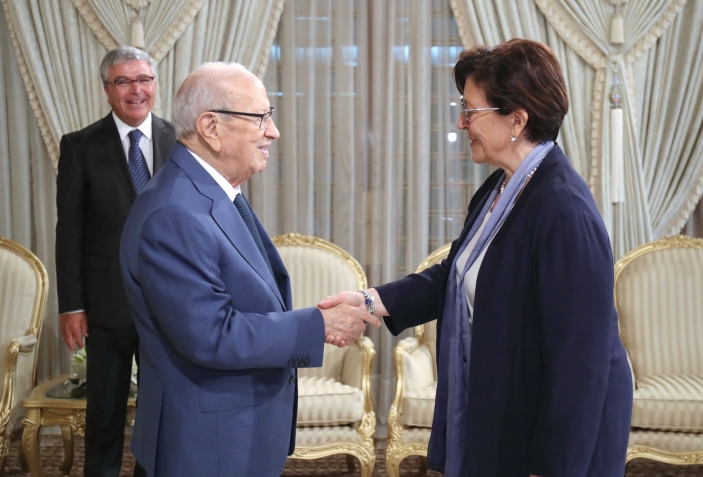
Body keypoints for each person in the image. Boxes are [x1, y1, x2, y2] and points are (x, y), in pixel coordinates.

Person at [320, 38, 633, 477]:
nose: (461, 122)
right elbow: (455, 274)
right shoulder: (501, 187)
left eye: (470, 110)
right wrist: (370, 301)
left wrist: (553, 468)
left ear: (517, 120)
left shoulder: (564, 211)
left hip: (561, 440)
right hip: (509, 408)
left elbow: (580, 364)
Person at [119, 62, 380, 477]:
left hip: (233, 433)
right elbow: (211, 335)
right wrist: (317, 324)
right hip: (205, 444)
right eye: (260, 117)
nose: (272, 131)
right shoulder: (174, 211)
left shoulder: (211, 192)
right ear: (210, 126)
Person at [55, 46, 176, 477]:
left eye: (143, 79)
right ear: (107, 89)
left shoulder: (182, 140)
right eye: (123, 81)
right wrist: (71, 305)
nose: (135, 89)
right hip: (106, 303)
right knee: (104, 413)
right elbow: (69, 231)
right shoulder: (80, 146)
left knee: (160, 411)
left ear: (155, 85)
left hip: (169, 302)